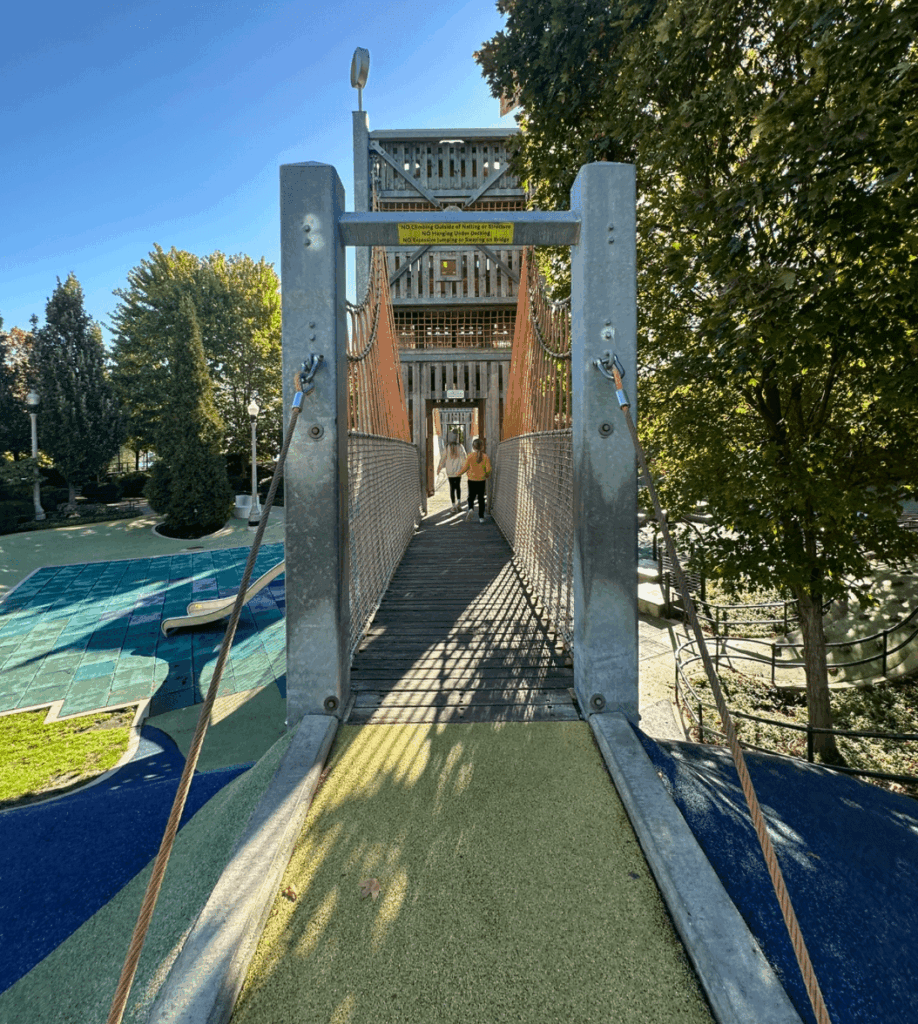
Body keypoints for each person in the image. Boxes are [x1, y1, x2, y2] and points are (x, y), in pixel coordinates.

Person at [459, 438, 492, 523]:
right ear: (482, 447)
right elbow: (488, 469)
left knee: (471, 497)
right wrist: (486, 475)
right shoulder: (485, 457)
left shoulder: (470, 456)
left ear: (473, 447)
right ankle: (481, 517)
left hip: (471, 480)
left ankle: (470, 508)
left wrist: (458, 473)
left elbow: (465, 468)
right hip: (481, 480)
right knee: (481, 499)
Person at [437, 431, 467, 513]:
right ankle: (459, 503)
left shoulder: (447, 447)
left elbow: (442, 459)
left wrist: (439, 468)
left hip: (450, 471)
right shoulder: (460, 446)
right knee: (458, 487)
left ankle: (453, 506)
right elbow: (464, 457)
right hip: (458, 471)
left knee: (452, 488)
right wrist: (464, 468)